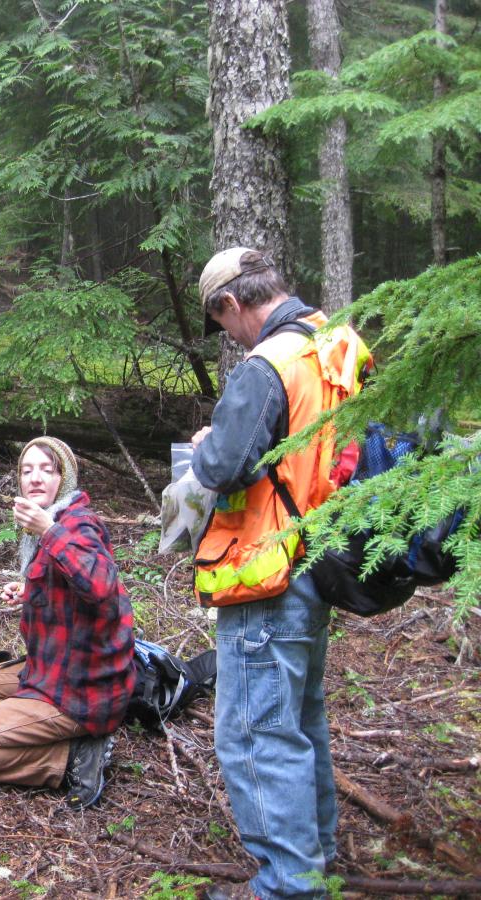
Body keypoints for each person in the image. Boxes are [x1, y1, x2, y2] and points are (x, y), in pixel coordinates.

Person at [190, 248, 370, 900]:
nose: (232, 338)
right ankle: (314, 860)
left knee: (256, 735)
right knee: (299, 721)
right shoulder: (336, 345)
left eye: (224, 325)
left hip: (265, 573)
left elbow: (225, 467)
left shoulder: (268, 366)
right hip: (318, 563)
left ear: (230, 304)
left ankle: (290, 887)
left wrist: (208, 451)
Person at [0, 437, 135, 808]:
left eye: (47, 469)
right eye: (27, 471)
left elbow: (100, 586)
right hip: (54, 667)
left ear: (66, 477)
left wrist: (48, 530)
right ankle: (43, 725)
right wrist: (31, 589)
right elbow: (71, 588)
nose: (35, 478)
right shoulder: (52, 522)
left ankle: (73, 759)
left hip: (82, 687)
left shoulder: (76, 524)